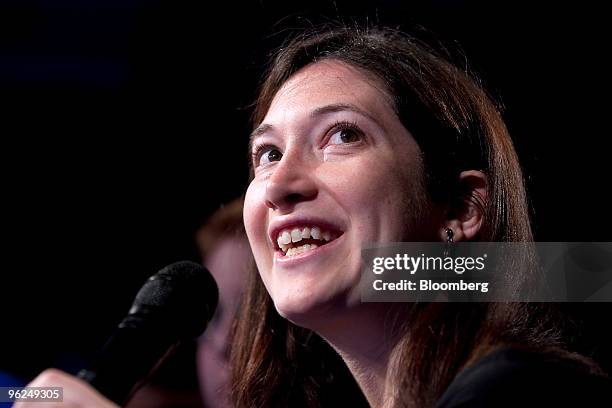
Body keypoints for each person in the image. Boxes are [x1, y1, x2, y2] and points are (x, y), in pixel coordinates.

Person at [15, 24, 610, 407]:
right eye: (266, 154)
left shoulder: (525, 390)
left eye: (341, 136)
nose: (280, 183)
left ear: (459, 208)